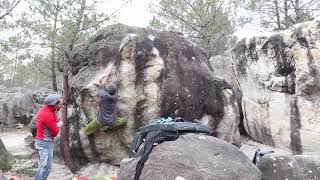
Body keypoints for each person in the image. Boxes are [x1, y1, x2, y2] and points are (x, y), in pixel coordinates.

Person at [35, 94, 64, 180]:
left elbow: (56, 118)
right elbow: (55, 133)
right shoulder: (48, 114)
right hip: (45, 143)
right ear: (54, 104)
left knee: (42, 166)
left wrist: (57, 122)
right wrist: (58, 125)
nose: (62, 106)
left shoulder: (48, 109)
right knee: (46, 168)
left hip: (41, 141)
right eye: (60, 104)